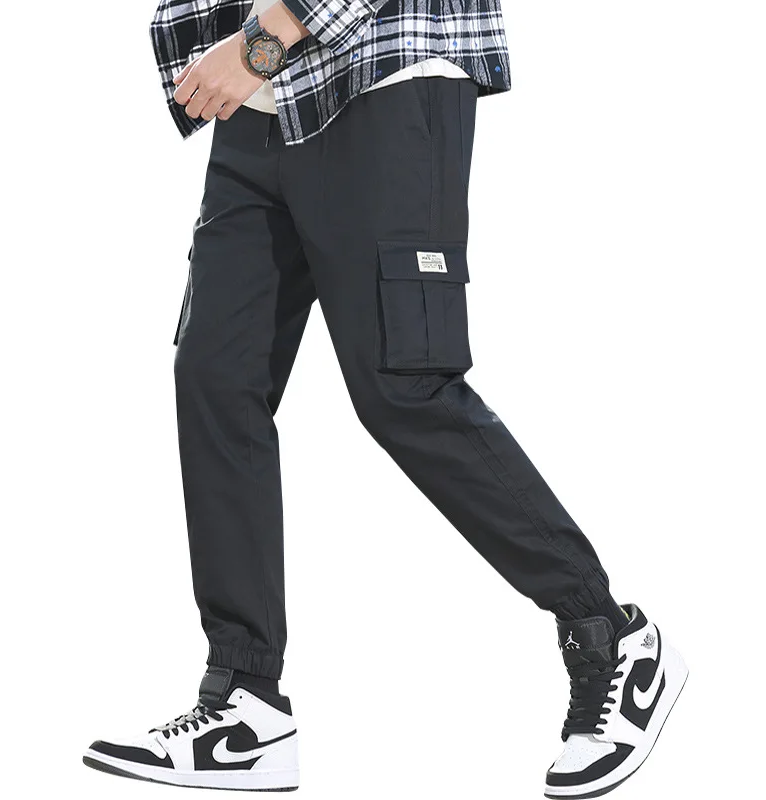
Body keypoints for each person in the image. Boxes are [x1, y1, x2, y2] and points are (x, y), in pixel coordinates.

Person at [83, 2, 687, 797]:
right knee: (215, 378)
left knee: (405, 387)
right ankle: (244, 702)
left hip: (379, 75)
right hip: (260, 101)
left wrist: (262, 42)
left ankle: (609, 635)